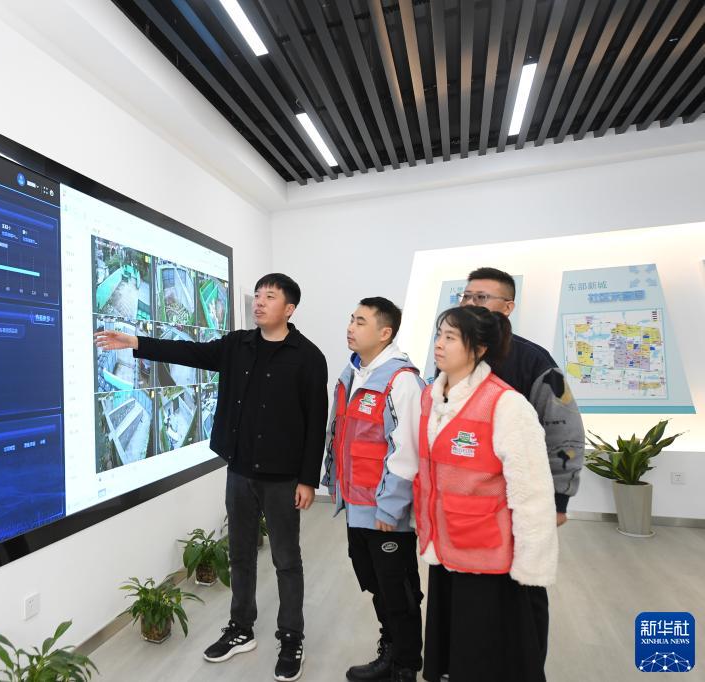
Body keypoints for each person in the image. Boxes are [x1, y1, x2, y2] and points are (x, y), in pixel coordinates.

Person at [96, 273, 328, 682]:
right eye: (258, 295)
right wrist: (136, 343)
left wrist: (308, 480)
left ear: (289, 309)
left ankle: (291, 637)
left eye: (269, 297)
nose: (259, 302)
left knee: (286, 560)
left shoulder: (308, 357)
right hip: (239, 470)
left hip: (282, 477)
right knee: (240, 554)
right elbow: (190, 352)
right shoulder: (238, 345)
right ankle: (241, 628)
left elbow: (316, 422)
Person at [416, 306, 558, 682]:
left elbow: (531, 492)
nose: (439, 344)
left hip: (487, 553)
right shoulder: (431, 398)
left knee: (484, 652)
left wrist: (531, 563)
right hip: (445, 544)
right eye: (439, 335)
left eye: (450, 337)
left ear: (479, 349)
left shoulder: (505, 404)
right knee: (453, 647)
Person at [321, 298, 425, 682]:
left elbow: (407, 450)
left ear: (385, 333)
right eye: (351, 319)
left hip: (385, 512)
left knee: (398, 590)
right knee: (376, 584)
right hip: (357, 505)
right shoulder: (353, 373)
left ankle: (405, 666)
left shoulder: (401, 381)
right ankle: (391, 649)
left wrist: (390, 508)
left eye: (361, 321)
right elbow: (340, 435)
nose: (351, 327)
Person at [458, 267, 584, 527]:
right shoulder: (451, 355)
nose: (469, 304)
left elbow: (563, 430)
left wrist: (558, 500)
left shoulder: (534, 360)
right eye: (466, 296)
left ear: (507, 308)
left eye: (481, 297)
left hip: (512, 498)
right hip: (456, 497)